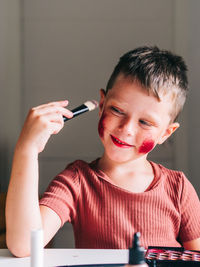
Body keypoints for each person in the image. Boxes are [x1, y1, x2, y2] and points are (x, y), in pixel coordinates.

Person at [6, 46, 200, 257]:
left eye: (145, 122)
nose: (126, 129)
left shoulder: (179, 189)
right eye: (117, 110)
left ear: (166, 133)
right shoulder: (77, 182)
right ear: (101, 105)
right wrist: (27, 149)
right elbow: (24, 245)